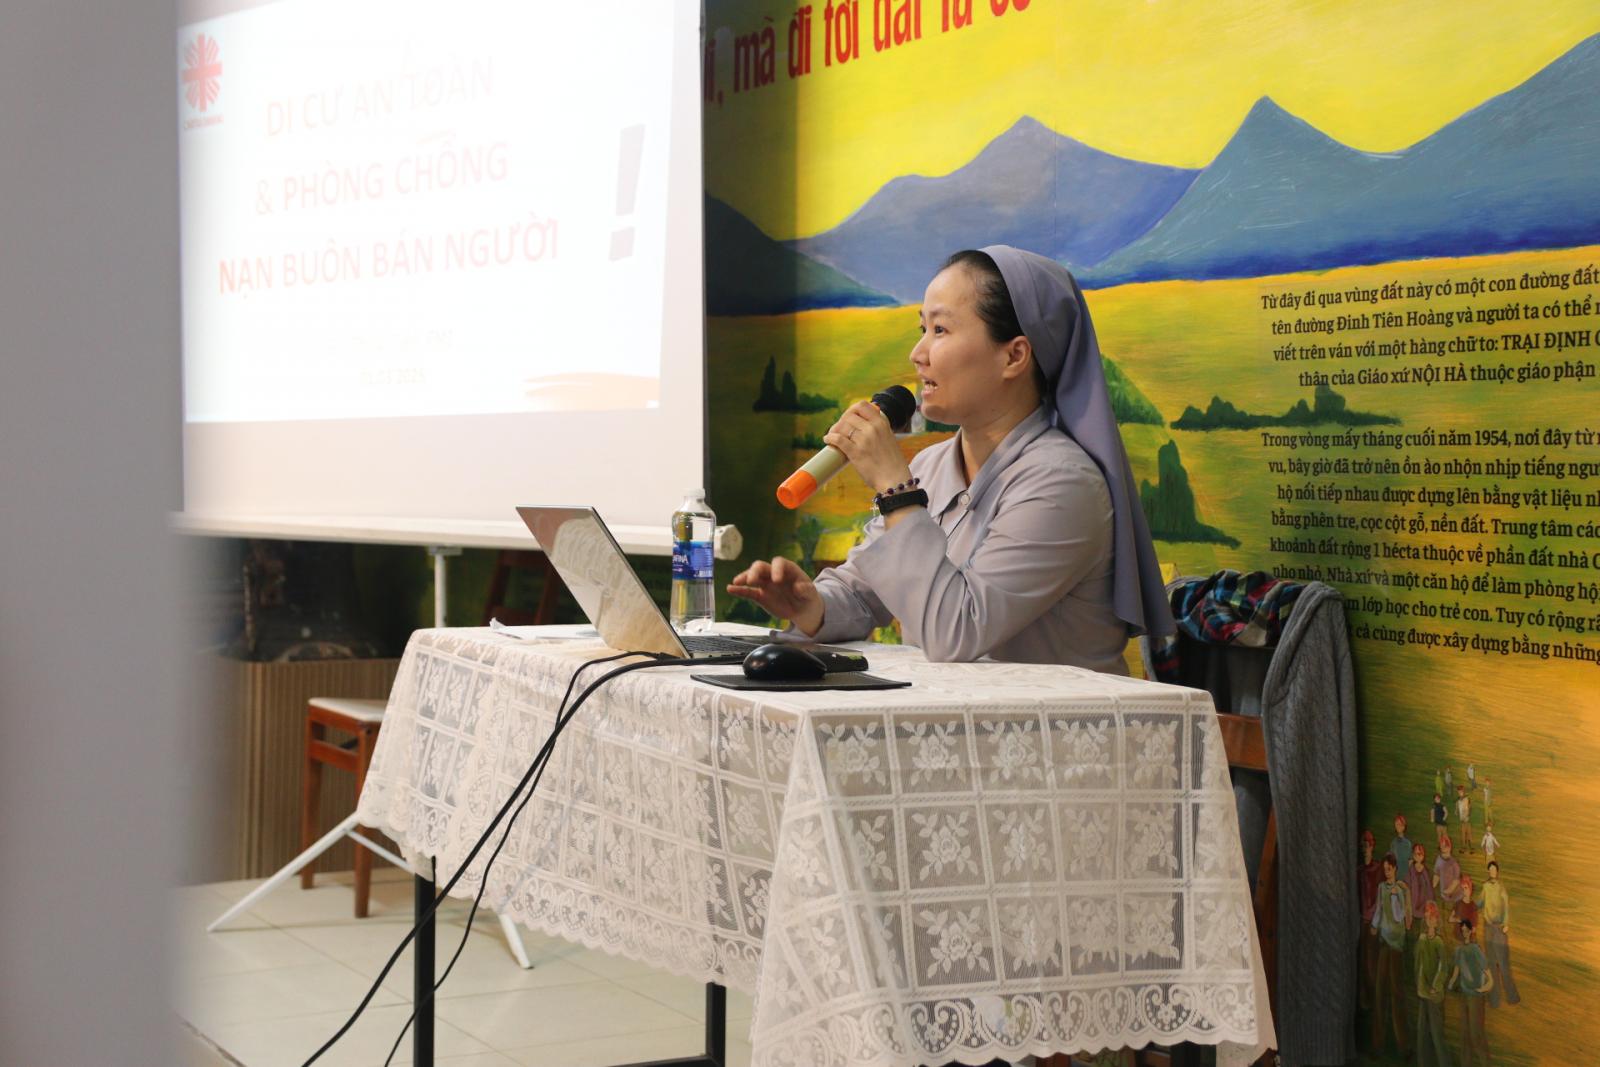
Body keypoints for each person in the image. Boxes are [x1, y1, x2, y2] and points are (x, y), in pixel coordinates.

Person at [729, 247, 1172, 670]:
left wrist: (895, 492)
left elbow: (955, 632)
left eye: (940, 330)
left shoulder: (1063, 482)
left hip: (1051, 723)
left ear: (1014, 355)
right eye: (922, 329)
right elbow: (864, 595)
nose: (918, 354)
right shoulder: (930, 466)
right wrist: (811, 606)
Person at [1370, 854, 1412, 1058]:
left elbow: (1398, 916)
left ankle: (1403, 1046)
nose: (1386, 872)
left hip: (1396, 946)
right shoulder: (1381, 888)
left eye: (1389, 869)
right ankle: (1377, 1045)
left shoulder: (1400, 889)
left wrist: (1396, 896)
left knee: (1397, 994)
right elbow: (1379, 909)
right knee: (1380, 992)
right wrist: (1374, 925)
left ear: (1395, 869)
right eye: (1384, 869)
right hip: (1385, 943)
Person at [1449, 917, 1494, 1067]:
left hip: (1475, 997)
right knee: (1464, 1036)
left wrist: (1483, 988)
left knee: (1476, 1035)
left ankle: (1486, 1063)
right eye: (1462, 931)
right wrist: (1450, 985)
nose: (1464, 933)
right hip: (1464, 995)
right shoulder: (1459, 951)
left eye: (1466, 931)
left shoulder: (1476, 950)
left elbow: (1489, 978)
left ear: (1471, 931)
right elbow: (1456, 972)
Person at [1414, 901, 1453, 1067]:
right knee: (1422, 1032)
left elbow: (1443, 967)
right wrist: (1420, 984)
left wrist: (1435, 986)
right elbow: (1418, 963)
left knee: (1437, 1034)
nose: (1430, 919)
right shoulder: (1422, 940)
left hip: (1434, 995)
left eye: (1433, 917)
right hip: (1423, 992)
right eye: (1428, 916)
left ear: (1436, 921)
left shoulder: (1439, 942)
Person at [1478, 860, 1521, 1007]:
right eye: (1490, 870)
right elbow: (1479, 903)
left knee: (1503, 964)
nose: (1492, 872)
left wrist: (1506, 923)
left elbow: (1506, 906)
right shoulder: (1485, 886)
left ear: (1497, 872)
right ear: (1488, 872)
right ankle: (1494, 999)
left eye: (1494, 870)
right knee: (1491, 963)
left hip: (1499, 928)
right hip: (1488, 928)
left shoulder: (1501, 887)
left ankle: (1512, 997)